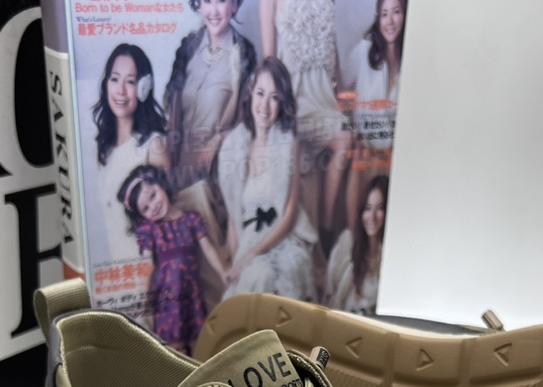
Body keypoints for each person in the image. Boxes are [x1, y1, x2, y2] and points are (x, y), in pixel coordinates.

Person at [219, 57, 316, 300]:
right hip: (249, 240)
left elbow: (289, 214)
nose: (265, 106)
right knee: (256, 277)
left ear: (282, 103)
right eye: (260, 93)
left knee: (283, 271)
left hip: (285, 238)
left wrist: (252, 256)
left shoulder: (288, 144)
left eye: (274, 98)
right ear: (250, 93)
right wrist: (238, 261)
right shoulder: (233, 147)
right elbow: (233, 218)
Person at [259, 0, 351, 244]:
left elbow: (333, 52)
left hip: (324, 101)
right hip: (292, 103)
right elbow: (269, 62)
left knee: (347, 136)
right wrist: (273, 110)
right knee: (293, 149)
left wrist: (344, 101)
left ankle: (326, 229)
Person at [118, 165, 228, 354]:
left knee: (199, 341)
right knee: (175, 347)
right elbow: (148, 266)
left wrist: (224, 272)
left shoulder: (191, 219)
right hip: (168, 299)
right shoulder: (150, 231)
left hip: (192, 294)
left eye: (153, 195)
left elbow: (208, 249)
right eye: (145, 208)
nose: (153, 206)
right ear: (142, 216)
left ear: (161, 185)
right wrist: (145, 298)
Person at [163, 0, 257, 192]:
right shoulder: (187, 48)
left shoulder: (243, 54)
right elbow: (170, 110)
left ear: (234, 5)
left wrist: (219, 139)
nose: (213, 11)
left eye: (221, 1)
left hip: (216, 173)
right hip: (177, 167)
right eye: (207, 1)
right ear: (198, 5)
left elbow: (252, 122)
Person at [92, 44, 170, 263]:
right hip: (120, 268)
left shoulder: (153, 146)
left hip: (149, 270)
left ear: (144, 88)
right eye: (115, 79)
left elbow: (168, 224)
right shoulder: (105, 148)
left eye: (130, 82)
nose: (120, 91)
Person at [344, 0, 405, 231]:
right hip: (367, 146)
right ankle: (354, 241)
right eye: (384, 14)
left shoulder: (414, 56)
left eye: (396, 12)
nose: (390, 21)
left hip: (396, 150)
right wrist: (351, 128)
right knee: (360, 162)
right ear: (378, 19)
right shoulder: (363, 51)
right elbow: (344, 89)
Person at [326, 175, 387, 315]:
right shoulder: (347, 243)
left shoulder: (389, 256)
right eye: (368, 208)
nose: (372, 217)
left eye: (379, 208)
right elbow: (332, 296)